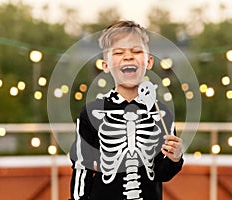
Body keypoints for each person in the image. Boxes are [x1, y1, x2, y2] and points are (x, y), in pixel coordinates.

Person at [69, 20, 183, 200]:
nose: (128, 56)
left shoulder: (161, 113)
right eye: (119, 52)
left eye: (137, 51)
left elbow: (162, 173)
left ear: (149, 61)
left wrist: (174, 158)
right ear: (105, 65)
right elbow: (82, 169)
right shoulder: (91, 113)